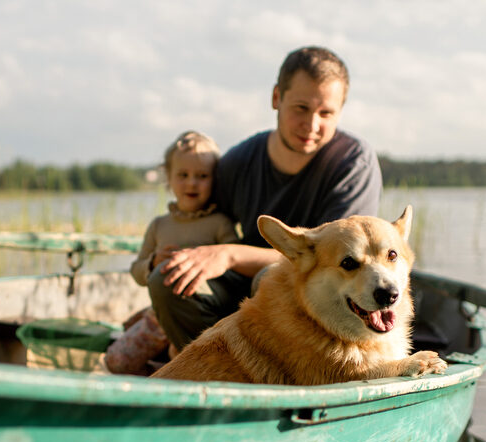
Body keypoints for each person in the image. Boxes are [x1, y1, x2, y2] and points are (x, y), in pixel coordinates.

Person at [148, 46, 383, 350]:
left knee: (271, 278)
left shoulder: (352, 164)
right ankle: (208, 370)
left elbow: (329, 265)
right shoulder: (238, 162)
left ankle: (288, 381)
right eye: (301, 108)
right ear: (276, 98)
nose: (312, 125)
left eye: (326, 113)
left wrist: (230, 254)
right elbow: (196, 220)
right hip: (242, 290)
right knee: (166, 281)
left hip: (319, 296)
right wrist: (163, 261)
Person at [105, 130, 239, 374]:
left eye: (202, 176)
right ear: (168, 178)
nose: (191, 183)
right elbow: (136, 270)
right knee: (116, 360)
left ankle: (168, 371)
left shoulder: (220, 223)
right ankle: (151, 374)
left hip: (197, 318)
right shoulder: (159, 225)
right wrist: (153, 263)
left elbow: (235, 273)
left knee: (185, 362)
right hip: (156, 319)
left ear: (215, 180)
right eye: (183, 175)